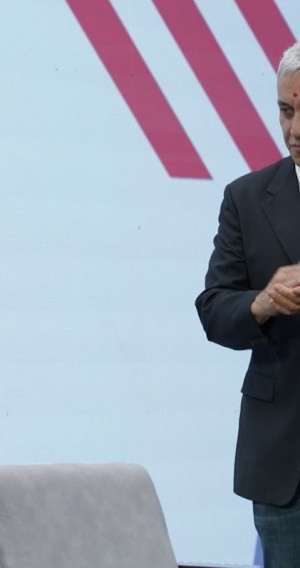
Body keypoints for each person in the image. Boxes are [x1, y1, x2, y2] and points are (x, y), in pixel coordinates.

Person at [196, 42, 300, 568]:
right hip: (285, 461)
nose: (295, 129)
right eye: (286, 111)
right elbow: (214, 306)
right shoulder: (247, 198)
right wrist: (261, 303)